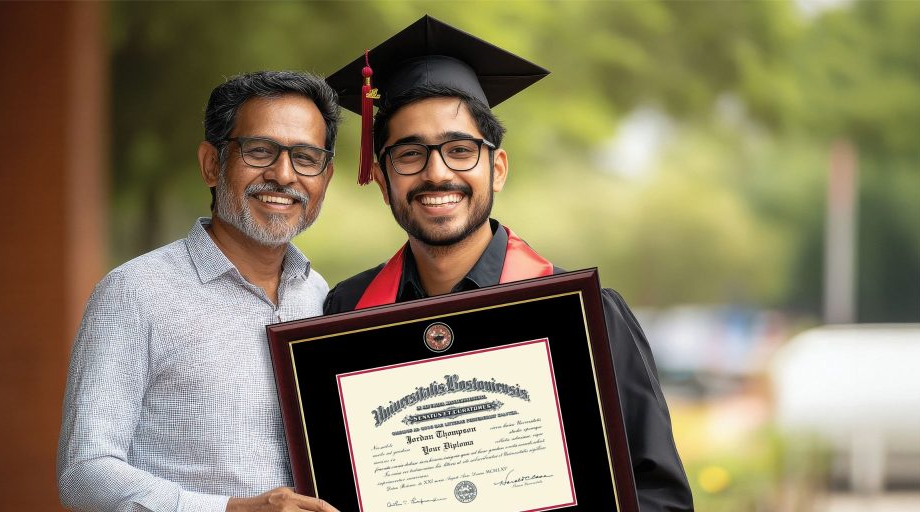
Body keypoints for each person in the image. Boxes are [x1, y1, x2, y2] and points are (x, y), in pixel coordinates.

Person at [323, 16, 694, 511]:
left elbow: (659, 498)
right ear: (383, 179)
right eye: (409, 155)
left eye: (460, 151)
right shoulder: (345, 317)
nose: (437, 173)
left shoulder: (583, 316)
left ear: (496, 169)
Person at [57, 71, 341, 512]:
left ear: (325, 176)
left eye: (306, 157)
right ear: (212, 164)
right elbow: (84, 473)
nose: (284, 175)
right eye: (260, 151)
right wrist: (230, 510)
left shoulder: (320, 297)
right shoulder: (135, 293)